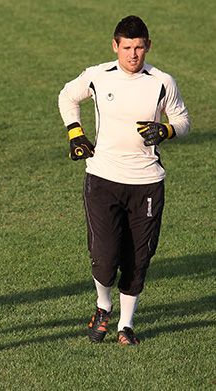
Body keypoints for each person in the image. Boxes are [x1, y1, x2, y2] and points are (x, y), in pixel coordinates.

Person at [58, 15, 189, 345]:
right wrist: (76, 134)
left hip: (146, 182)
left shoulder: (162, 82)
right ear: (115, 46)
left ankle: (125, 326)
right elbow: (66, 96)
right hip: (102, 178)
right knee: (103, 257)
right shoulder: (98, 76)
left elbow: (183, 119)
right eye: (127, 47)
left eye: (139, 47)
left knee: (138, 259)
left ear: (148, 47)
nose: (133, 54)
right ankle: (103, 306)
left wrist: (168, 130)